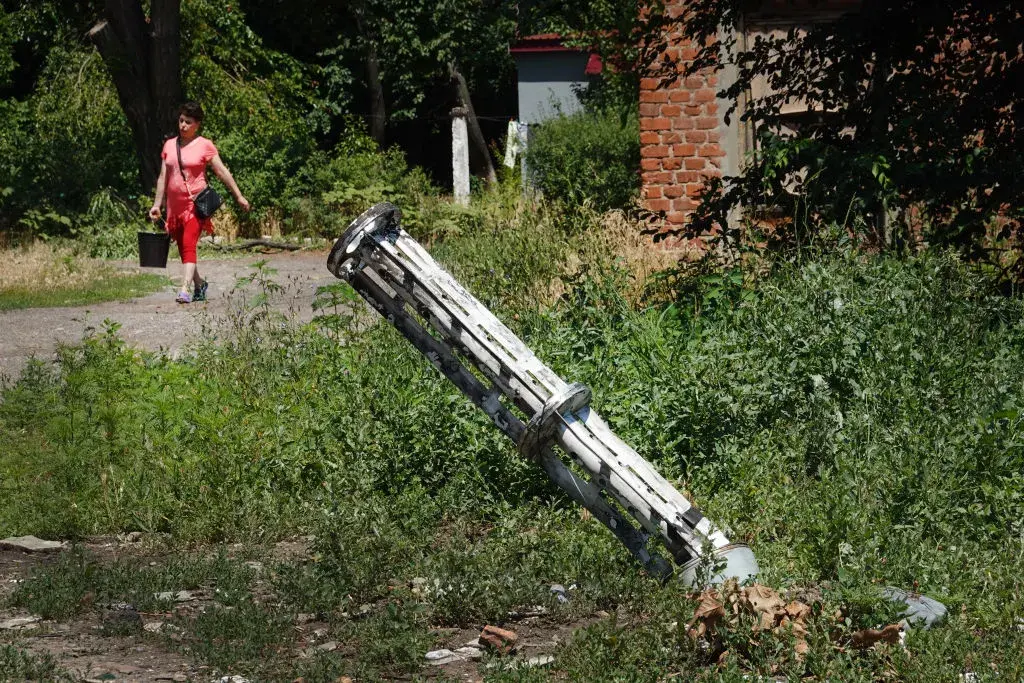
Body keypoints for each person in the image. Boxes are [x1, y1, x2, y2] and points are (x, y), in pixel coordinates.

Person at [148, 101, 250, 303]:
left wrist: (239, 195)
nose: (183, 125)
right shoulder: (169, 145)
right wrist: (156, 205)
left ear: (197, 125)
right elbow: (163, 176)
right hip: (174, 208)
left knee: (189, 245)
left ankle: (184, 289)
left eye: (188, 122)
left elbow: (222, 172)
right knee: (183, 248)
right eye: (181, 120)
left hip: (196, 204)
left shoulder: (205, 145)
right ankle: (200, 284)